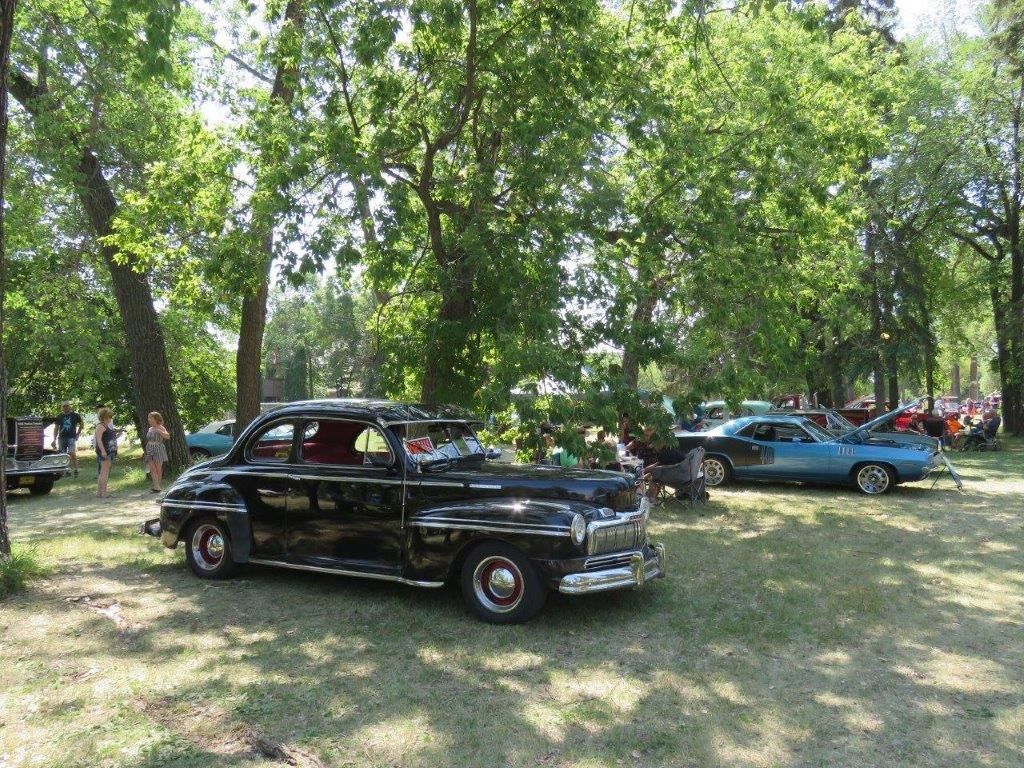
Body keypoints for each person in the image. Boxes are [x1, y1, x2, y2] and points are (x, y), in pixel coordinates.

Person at [51, 400, 83, 477]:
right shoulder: (59, 416)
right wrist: (54, 439)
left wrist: (78, 434)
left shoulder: (75, 415)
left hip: (71, 437)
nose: (65, 407)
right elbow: (56, 428)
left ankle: (76, 470)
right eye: (64, 406)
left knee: (72, 453)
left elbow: (81, 424)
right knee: (63, 455)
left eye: (67, 405)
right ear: (62, 407)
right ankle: (67, 471)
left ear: (70, 406)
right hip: (61, 438)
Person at [144, 411, 171, 493]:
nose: (149, 419)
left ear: (156, 419)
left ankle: (157, 487)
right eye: (148, 418)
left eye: (150, 418)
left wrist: (159, 431)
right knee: (152, 469)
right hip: (150, 449)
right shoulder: (150, 428)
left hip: (159, 449)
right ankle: (156, 486)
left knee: (158, 469)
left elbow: (167, 436)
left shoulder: (161, 427)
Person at [95, 407, 117, 498]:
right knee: (104, 472)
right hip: (105, 452)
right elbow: (99, 440)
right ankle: (104, 493)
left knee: (103, 472)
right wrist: (103, 451)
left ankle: (100, 493)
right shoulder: (100, 426)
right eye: (109, 417)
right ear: (104, 417)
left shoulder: (106, 426)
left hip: (109, 451)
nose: (110, 419)